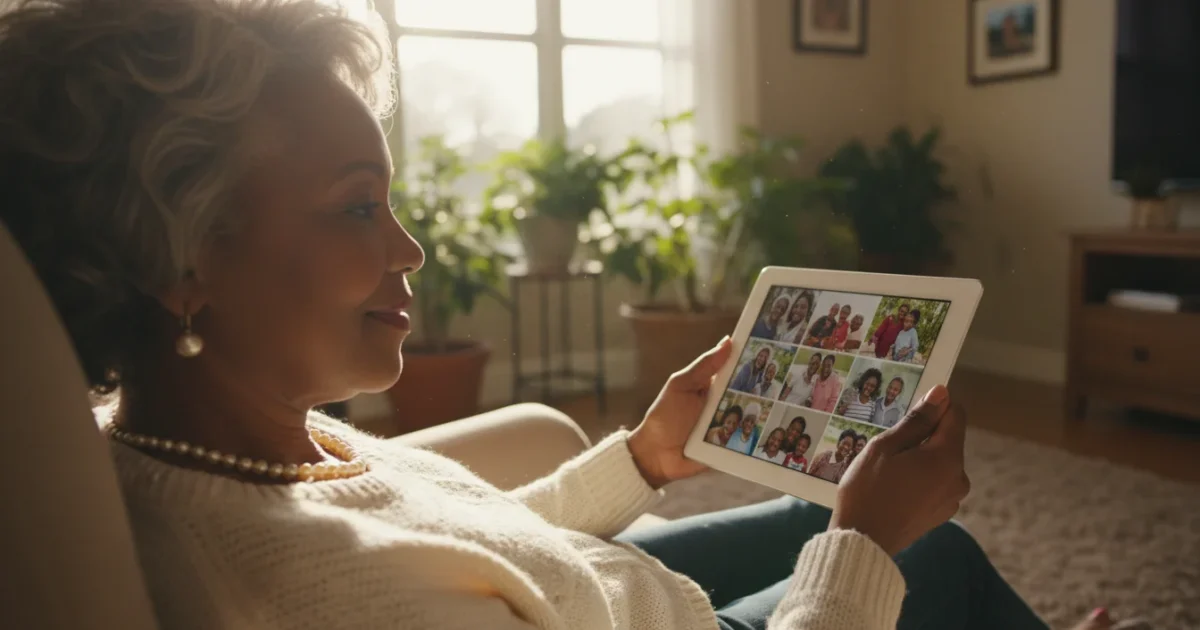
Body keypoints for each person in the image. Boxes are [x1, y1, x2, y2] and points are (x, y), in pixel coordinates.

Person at [0, 1, 1122, 628]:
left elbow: (478, 550)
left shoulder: (210, 438)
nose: (409, 250)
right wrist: (868, 545)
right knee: (937, 554)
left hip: (617, 602)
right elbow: (415, 582)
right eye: (354, 208)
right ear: (175, 259)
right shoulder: (311, 590)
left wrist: (640, 457)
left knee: (807, 522)